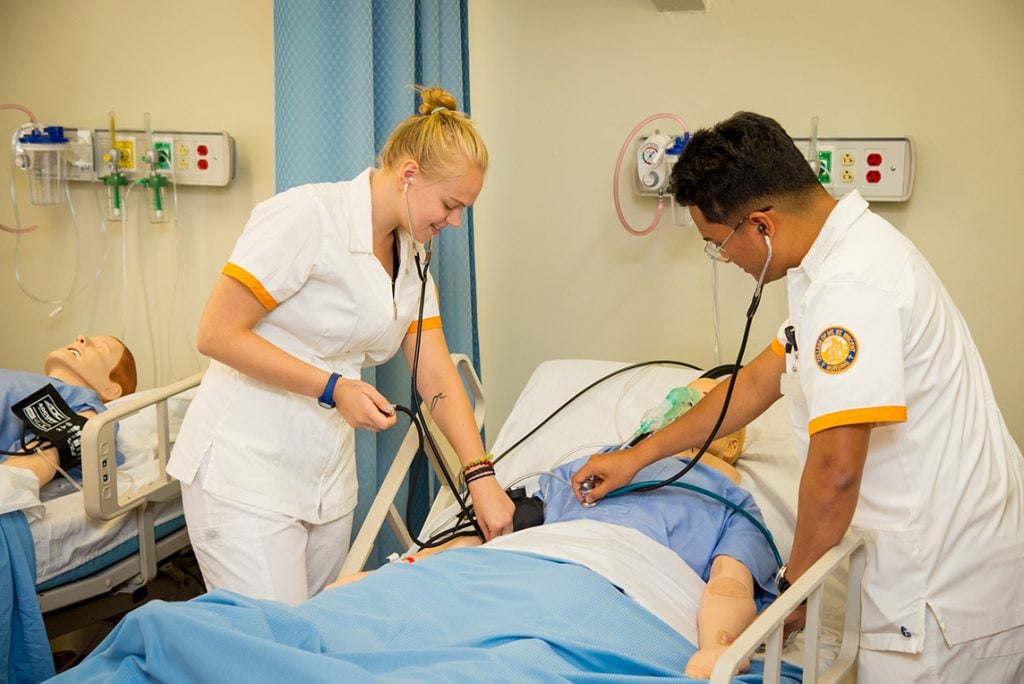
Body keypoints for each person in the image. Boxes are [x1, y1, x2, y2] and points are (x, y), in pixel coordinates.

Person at [572, 111, 1024, 681]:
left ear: (760, 225)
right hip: (937, 576)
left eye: (717, 244)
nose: (725, 260)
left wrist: (795, 592)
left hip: (942, 598)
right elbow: (755, 382)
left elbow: (835, 467)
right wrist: (636, 455)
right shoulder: (830, 264)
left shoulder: (852, 287)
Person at [167, 86, 515, 605]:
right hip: (245, 473)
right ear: (410, 173)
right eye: (451, 204)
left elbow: (435, 372)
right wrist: (333, 388)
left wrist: (480, 476)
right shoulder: (307, 217)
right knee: (271, 653)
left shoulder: (412, 259)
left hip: (326, 481)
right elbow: (216, 333)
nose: (455, 222)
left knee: (316, 637)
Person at [330, 374, 773, 679]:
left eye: (697, 404)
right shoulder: (598, 463)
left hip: (614, 585)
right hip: (519, 565)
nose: (679, 408)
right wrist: (413, 564)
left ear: (731, 439)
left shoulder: (732, 502)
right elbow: (505, 529)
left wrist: (721, 645)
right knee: (388, 622)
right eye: (678, 399)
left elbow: (729, 587)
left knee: (515, 658)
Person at [1, 335, 137, 485]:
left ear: (111, 390)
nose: (80, 337)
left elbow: (48, 456)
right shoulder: (31, 382)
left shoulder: (84, 402)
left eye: (101, 348)